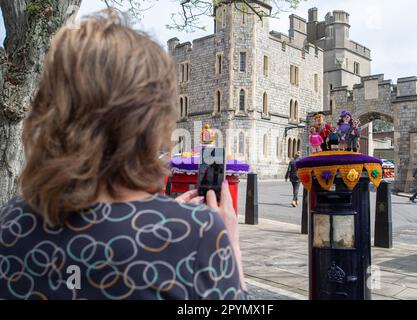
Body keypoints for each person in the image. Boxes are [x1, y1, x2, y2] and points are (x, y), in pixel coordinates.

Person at [0, 10, 248, 300]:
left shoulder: (11, 222)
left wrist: (162, 218)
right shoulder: (196, 233)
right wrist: (230, 249)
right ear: (151, 120)